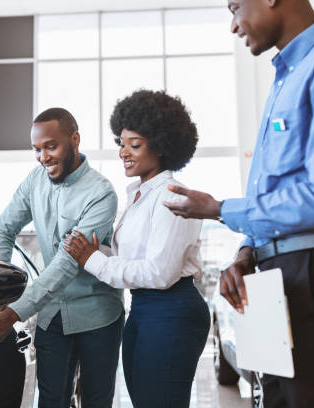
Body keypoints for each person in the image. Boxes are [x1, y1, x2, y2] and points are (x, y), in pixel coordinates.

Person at [163, 1, 314, 407]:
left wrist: (219, 209)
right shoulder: (285, 81)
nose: (233, 25)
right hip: (273, 275)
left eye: (234, 7)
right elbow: (272, 196)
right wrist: (246, 254)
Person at [63, 90, 210, 408]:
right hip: (144, 309)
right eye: (121, 143)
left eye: (135, 145)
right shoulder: (139, 195)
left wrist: (94, 261)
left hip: (172, 310)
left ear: (161, 145)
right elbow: (135, 260)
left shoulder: (173, 196)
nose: (123, 153)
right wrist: (98, 252)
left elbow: (159, 272)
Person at [0, 108, 124, 408]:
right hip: (51, 313)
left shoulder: (101, 193)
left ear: (75, 140)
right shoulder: (34, 181)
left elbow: (68, 263)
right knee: (51, 401)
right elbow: (4, 230)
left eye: (50, 146)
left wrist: (14, 312)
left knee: (97, 401)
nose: (43, 157)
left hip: (98, 315)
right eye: (37, 150)